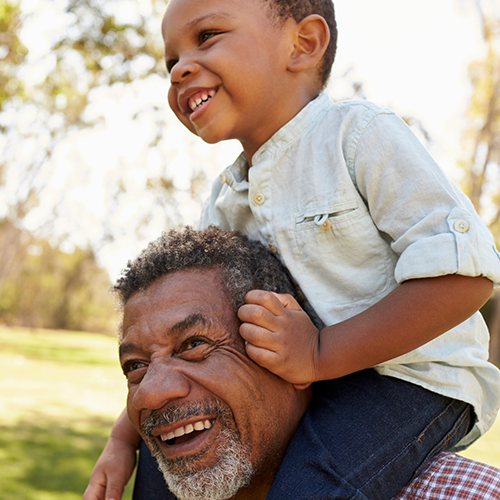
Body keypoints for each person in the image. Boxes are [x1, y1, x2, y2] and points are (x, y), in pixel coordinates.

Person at [85, 0, 500, 498]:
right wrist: (122, 439)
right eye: (170, 60)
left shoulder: (359, 136)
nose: (180, 69)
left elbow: (465, 278)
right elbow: (174, 339)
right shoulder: (224, 199)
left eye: (207, 36)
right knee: (165, 474)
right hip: (310, 386)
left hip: (411, 382)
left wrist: (320, 354)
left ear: (303, 44)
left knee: (310, 484)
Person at [86, 227, 486, 500]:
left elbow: (473, 269)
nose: (152, 393)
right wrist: (121, 440)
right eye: (135, 367)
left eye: (194, 344)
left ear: (291, 358)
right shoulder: (231, 197)